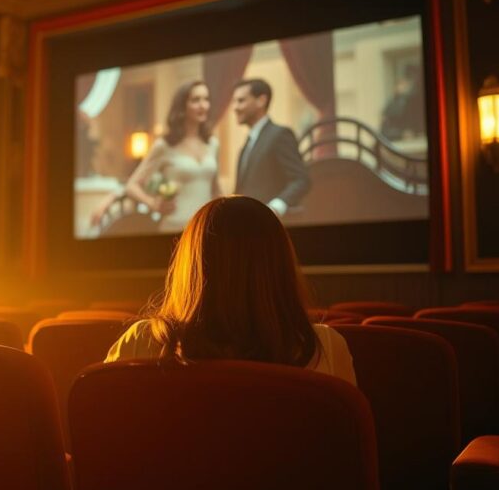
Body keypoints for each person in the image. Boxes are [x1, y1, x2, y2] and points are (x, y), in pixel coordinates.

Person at [105, 195, 356, 385]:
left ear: (190, 266)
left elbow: (98, 434)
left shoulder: (142, 343)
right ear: (280, 265)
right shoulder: (326, 348)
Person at [123, 81, 221, 233]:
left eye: (206, 99)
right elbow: (131, 186)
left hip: (207, 228)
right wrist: (153, 203)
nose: (203, 105)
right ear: (182, 106)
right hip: (175, 228)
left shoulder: (213, 144)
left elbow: (216, 189)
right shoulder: (164, 145)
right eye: (196, 100)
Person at [231, 79, 311, 217]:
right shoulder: (248, 144)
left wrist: (275, 207)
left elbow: (301, 179)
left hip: (270, 226)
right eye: (235, 101)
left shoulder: (280, 135)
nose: (235, 107)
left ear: (261, 100)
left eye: (241, 100)